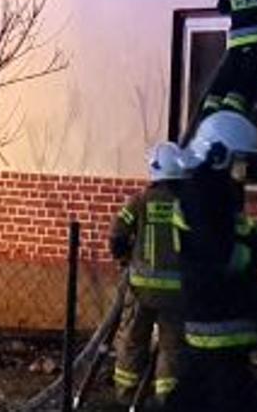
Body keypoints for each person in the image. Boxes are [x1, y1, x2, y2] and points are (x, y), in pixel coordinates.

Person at [165, 111, 257, 412]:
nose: (243, 170)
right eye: (239, 160)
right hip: (220, 319)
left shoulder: (211, 192)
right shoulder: (204, 196)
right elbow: (224, 255)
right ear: (218, 154)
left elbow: (230, 236)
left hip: (218, 318)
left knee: (197, 394)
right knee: (229, 398)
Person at [109, 142, 189, 404]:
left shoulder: (140, 201)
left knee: (133, 341)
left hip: (141, 289)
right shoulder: (187, 205)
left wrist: (123, 257)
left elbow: (117, 235)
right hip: (177, 293)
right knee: (172, 347)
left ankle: (127, 395)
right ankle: (168, 398)